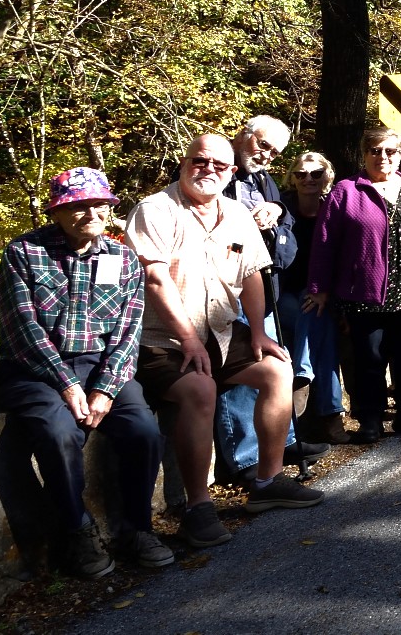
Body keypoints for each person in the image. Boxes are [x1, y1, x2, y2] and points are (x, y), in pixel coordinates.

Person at [126, 134, 323, 545]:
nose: (208, 170)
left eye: (219, 165)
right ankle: (198, 507)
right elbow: (156, 279)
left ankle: (268, 482)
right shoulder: (156, 209)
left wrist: (257, 331)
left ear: (232, 172)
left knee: (277, 370)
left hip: (221, 329)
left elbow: (252, 273)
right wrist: (189, 341)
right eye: (200, 160)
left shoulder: (236, 213)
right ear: (184, 162)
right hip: (163, 337)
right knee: (200, 389)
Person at [0, 168, 172, 576]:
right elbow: (22, 328)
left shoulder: (122, 257)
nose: (90, 213)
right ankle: (77, 530)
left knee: (143, 429)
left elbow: (129, 331)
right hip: (34, 368)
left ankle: (137, 529)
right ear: (57, 211)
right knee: (58, 432)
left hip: (103, 366)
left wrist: (107, 388)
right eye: (77, 206)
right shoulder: (24, 252)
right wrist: (66, 383)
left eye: (99, 205)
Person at [306, 129, 401, 442]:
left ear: (399, 154)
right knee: (369, 359)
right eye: (375, 150)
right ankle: (369, 418)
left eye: (390, 151)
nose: (383, 157)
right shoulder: (346, 191)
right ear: (364, 153)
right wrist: (318, 288)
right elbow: (325, 242)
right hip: (365, 293)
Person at [213, 116, 309, 488]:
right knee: (240, 370)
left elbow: (281, 220)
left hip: (263, 287)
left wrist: (278, 211)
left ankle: (279, 446)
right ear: (243, 134)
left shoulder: (260, 179)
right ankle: (245, 458)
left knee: (273, 365)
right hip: (226, 290)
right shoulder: (217, 173)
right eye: (264, 146)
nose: (268, 156)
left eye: (275, 152)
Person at [280, 152, 348, 444]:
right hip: (281, 294)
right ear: (292, 178)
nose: (308, 179)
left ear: (327, 177)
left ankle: (302, 373)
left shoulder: (334, 209)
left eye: (316, 173)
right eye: (301, 174)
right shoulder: (280, 208)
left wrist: (324, 291)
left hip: (322, 293)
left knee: (319, 321)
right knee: (319, 322)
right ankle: (331, 417)